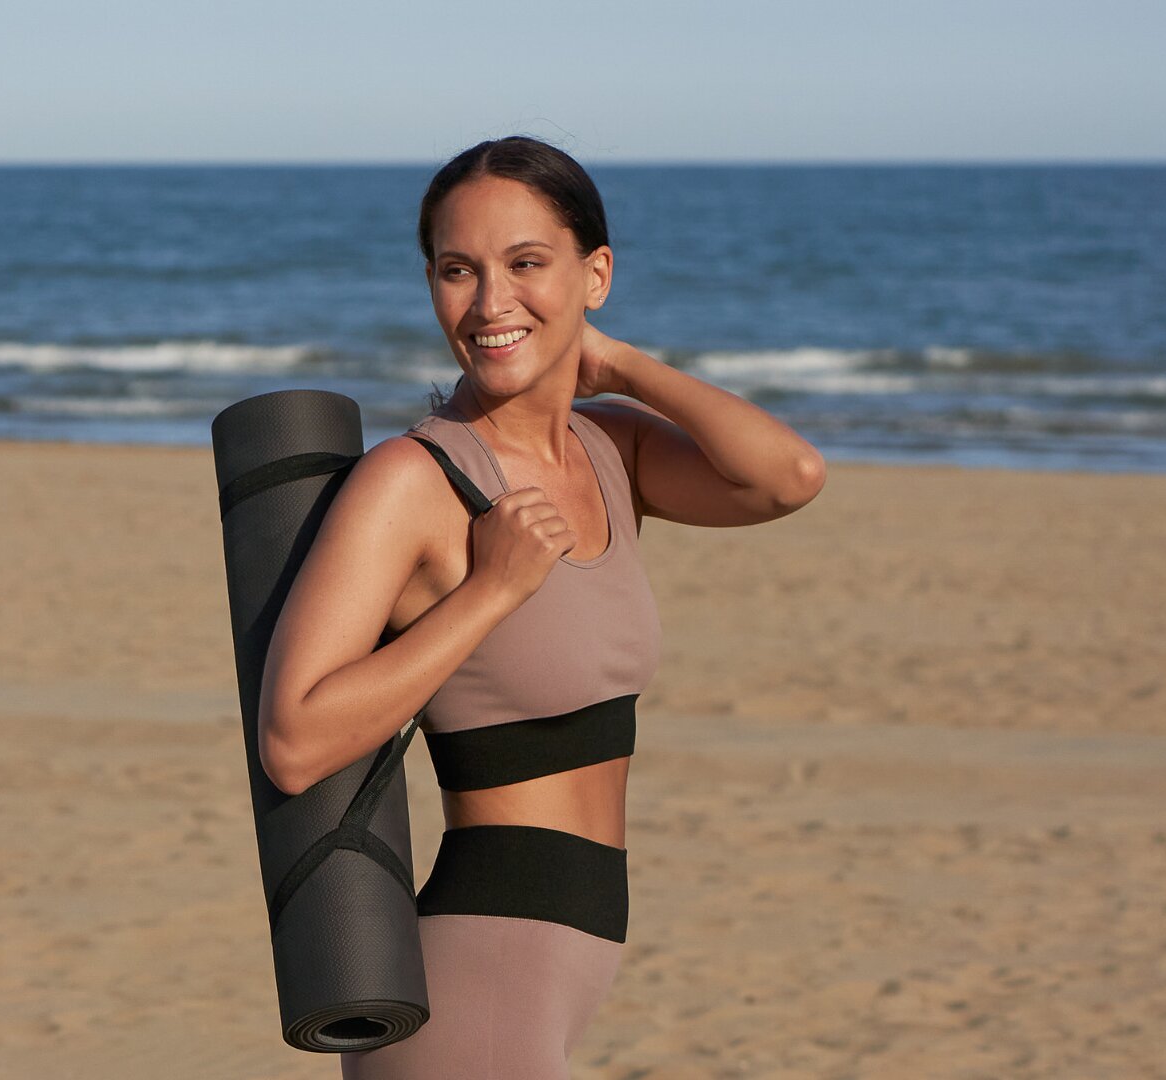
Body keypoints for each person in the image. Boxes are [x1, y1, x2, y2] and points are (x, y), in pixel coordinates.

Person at [256, 136, 827, 1077]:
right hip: (477, 973)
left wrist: (622, 365)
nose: (490, 303)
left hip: (564, 966)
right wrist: (490, 592)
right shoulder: (412, 479)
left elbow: (788, 477)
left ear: (595, 273)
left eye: (526, 264)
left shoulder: (612, 452)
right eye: (458, 271)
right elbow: (294, 739)